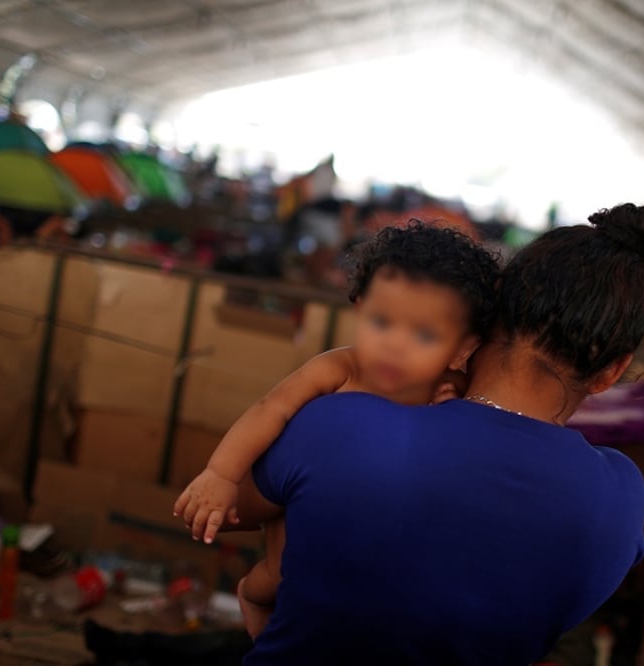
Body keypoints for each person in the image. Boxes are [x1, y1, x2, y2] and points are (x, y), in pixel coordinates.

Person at [188, 201, 644, 665]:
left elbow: (224, 511)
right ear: (612, 370)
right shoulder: (620, 503)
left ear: (486, 312)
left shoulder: (346, 420)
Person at [175, 221, 501, 635]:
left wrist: (450, 405)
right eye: (382, 322)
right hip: (297, 501)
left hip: (365, 522)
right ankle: (253, 601)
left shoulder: (450, 390)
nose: (394, 345)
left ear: (462, 349)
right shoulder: (339, 367)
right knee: (280, 576)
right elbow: (269, 410)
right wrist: (221, 474)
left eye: (423, 334)